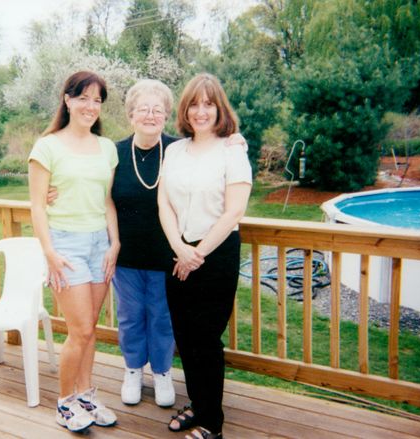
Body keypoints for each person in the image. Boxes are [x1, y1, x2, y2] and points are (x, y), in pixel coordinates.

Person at [158, 73, 252, 439]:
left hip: (215, 254)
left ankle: (213, 424)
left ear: (219, 109)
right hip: (178, 251)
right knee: (185, 336)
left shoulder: (233, 149)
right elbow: (163, 202)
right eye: (194, 104)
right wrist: (180, 248)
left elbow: (234, 211)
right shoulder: (175, 150)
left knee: (206, 339)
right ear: (186, 109)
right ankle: (199, 404)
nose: (201, 111)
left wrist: (196, 254)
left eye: (208, 104)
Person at [28, 71, 120, 433]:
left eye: (97, 100)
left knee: (90, 330)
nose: (91, 106)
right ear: (67, 100)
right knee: (79, 330)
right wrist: (49, 252)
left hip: (100, 243)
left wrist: (115, 243)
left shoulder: (107, 147)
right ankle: (65, 403)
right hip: (65, 245)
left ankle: (86, 396)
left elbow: (108, 200)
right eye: (83, 98)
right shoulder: (47, 146)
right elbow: (37, 206)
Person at [111, 79, 179, 407]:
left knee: (162, 316)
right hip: (126, 256)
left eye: (157, 110)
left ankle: (163, 372)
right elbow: (88, 186)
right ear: (131, 115)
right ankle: (133, 369)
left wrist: (234, 142)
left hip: (167, 256)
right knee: (130, 316)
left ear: (166, 115)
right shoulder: (114, 153)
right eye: (143, 109)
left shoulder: (179, 150)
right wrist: (53, 192)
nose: (150, 115)